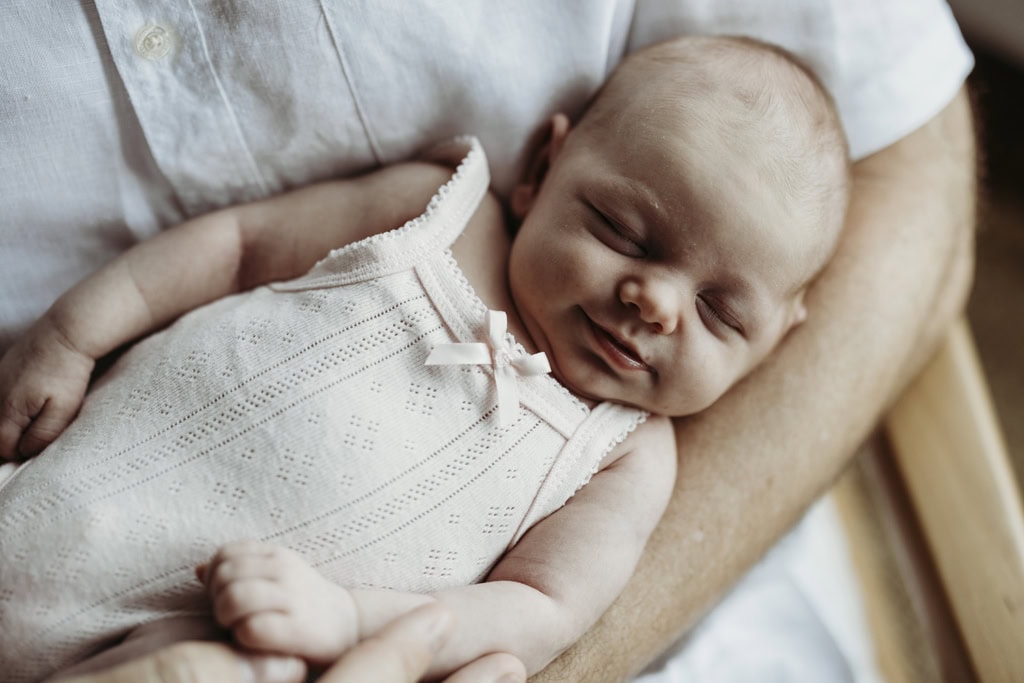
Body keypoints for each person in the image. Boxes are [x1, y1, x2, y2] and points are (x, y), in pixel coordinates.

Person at [0, 3, 975, 682]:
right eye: (624, 234)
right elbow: (238, 245)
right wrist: (76, 329)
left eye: (722, 313)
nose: (654, 302)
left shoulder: (625, 460)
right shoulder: (433, 215)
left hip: (195, 636)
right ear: (542, 167)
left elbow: (536, 609)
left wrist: (352, 623)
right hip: (56, 479)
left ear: (777, 342)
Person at [58, 604, 527, 683]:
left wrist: (347, 613)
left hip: (227, 651)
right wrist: (70, 338)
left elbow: (539, 608)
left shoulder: (604, 456)